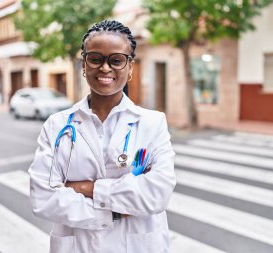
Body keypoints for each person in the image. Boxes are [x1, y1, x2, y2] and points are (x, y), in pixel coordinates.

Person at [29, 20, 176, 253]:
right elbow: (44, 199)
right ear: (84, 65)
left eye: (116, 60)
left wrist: (87, 188)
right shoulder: (57, 126)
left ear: (130, 68)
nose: (105, 68)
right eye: (96, 59)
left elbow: (156, 195)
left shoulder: (152, 123)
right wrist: (116, 210)